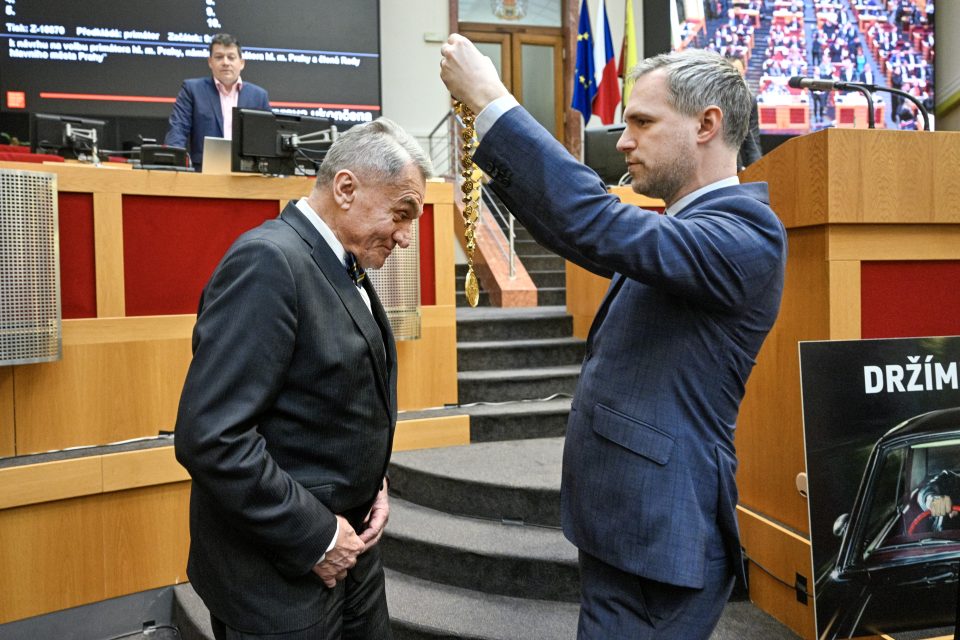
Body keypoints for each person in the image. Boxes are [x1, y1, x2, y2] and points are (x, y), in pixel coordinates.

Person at [441, 36, 786, 639]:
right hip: (630, 528)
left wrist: (492, 102)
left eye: (642, 122)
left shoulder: (748, 232)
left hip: (659, 539)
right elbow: (582, 232)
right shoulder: (686, 229)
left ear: (708, 124)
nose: (623, 142)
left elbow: (594, 221)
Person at [174, 117, 431, 639]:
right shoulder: (268, 262)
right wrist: (316, 537)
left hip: (353, 554)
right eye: (401, 214)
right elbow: (212, 439)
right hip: (279, 576)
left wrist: (370, 481)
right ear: (345, 188)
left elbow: (329, 397)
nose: (406, 237)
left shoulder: (341, 261)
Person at [165, 33, 271, 169]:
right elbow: (178, 129)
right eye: (219, 57)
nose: (225, 62)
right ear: (210, 62)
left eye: (231, 57)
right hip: (202, 174)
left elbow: (268, 139)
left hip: (247, 175)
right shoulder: (192, 90)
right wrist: (171, 164)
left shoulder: (258, 96)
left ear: (242, 63)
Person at [727, 57, 762, 170]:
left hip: (739, 167)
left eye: (739, 74)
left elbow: (753, 141)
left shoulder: (750, 101)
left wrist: (758, 169)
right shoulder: (711, 100)